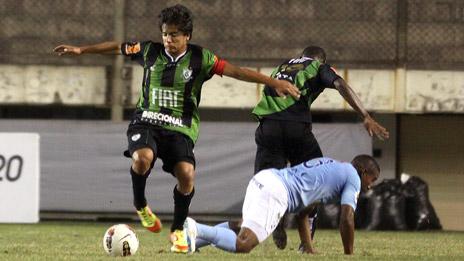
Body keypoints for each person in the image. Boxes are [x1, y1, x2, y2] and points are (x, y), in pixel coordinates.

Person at [53, 4, 300, 254]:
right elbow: (117, 47)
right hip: (146, 120)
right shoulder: (148, 50)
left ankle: (179, 228)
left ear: (187, 36)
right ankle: (141, 205)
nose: (168, 39)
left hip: (180, 128)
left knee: (187, 174)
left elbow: (237, 71)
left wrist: (273, 81)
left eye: (174, 35)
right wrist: (81, 50)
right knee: (142, 158)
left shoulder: (201, 58)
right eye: (165, 34)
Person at [251, 45, 390, 249]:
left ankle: (276, 223)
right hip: (296, 128)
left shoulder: (282, 67)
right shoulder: (317, 66)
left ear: (301, 56)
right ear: (321, 61)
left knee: (270, 181)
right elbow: (340, 84)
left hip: (267, 128)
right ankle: (306, 244)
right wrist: (366, 116)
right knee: (317, 181)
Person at [183, 155, 380, 255]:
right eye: (372, 179)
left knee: (241, 226)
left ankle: (189, 243)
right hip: (277, 191)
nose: (370, 186)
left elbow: (304, 213)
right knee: (244, 244)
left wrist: (308, 248)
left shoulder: (333, 167)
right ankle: (195, 227)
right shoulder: (353, 177)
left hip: (265, 178)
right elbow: (347, 217)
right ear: (362, 171)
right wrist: (349, 255)